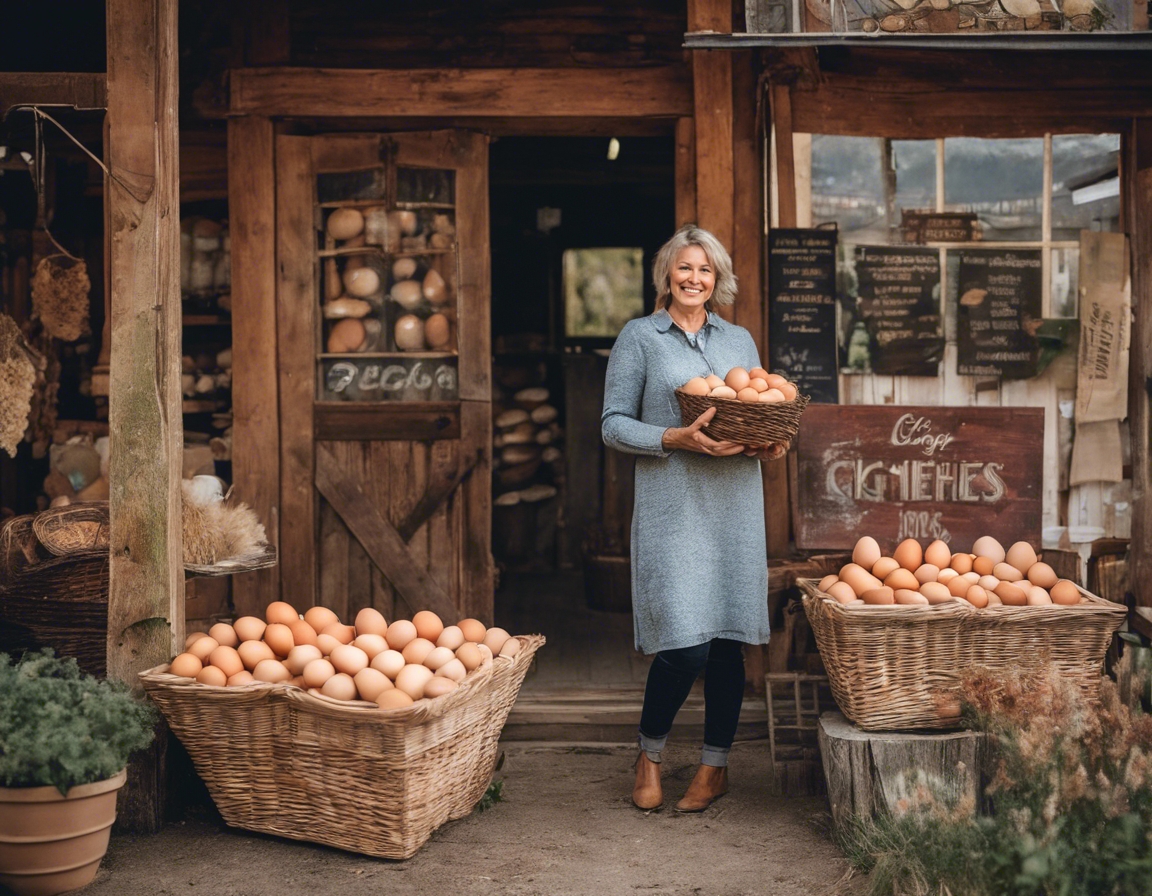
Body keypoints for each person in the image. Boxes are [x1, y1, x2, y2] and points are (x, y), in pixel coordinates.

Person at [601, 224, 787, 813]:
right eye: (685, 267)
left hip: (733, 506)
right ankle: (649, 755)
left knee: (729, 641)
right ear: (666, 274)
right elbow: (611, 424)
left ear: (718, 279)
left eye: (705, 270)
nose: (694, 278)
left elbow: (755, 405)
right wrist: (673, 437)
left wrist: (770, 442)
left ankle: (714, 769)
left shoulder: (739, 341)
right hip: (673, 507)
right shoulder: (640, 338)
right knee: (684, 645)